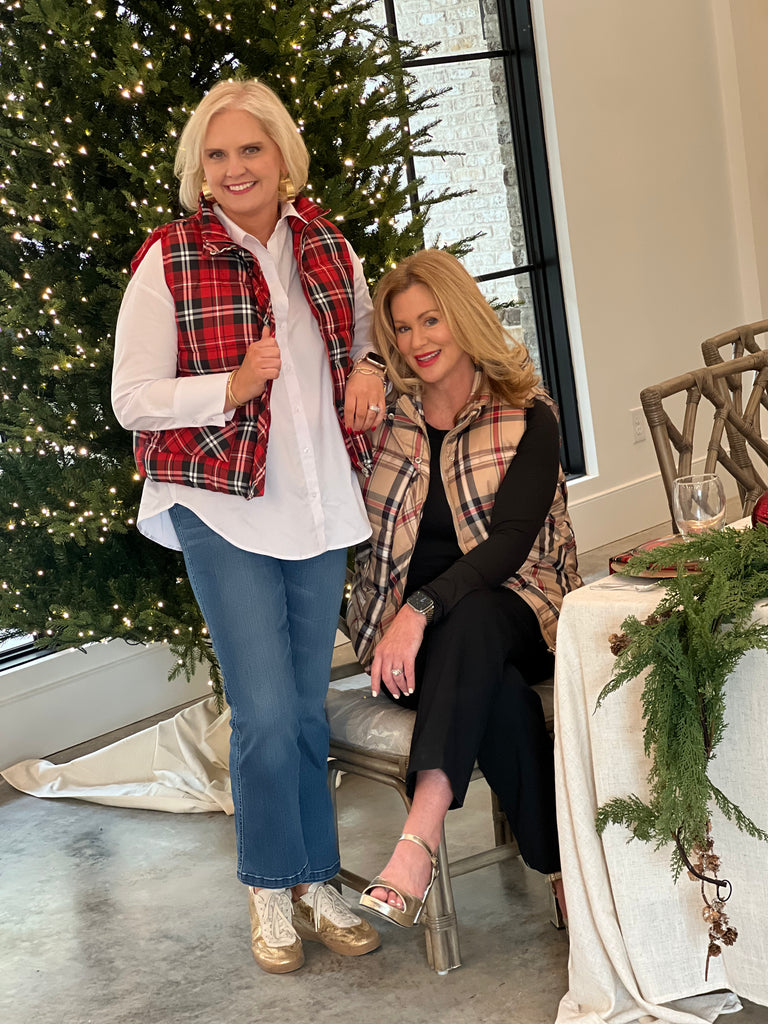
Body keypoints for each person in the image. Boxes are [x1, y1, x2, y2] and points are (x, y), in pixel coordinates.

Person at [111, 78, 384, 973]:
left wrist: (371, 368)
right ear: (201, 170)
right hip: (221, 504)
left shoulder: (327, 246)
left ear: (281, 157)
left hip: (317, 503)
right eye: (218, 154)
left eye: (251, 149)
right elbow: (131, 399)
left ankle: (317, 880)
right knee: (264, 710)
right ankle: (271, 884)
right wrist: (226, 388)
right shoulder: (169, 259)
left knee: (304, 708)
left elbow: (366, 339)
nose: (236, 168)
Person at [346, 249, 581, 927]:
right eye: (402, 328)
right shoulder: (386, 423)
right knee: (496, 693)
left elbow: (510, 544)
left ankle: (418, 837)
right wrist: (402, 617)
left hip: (522, 613)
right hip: (408, 644)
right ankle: (563, 872)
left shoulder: (528, 415)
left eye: (431, 320)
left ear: (463, 316)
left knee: (473, 616)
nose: (418, 341)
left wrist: (421, 608)